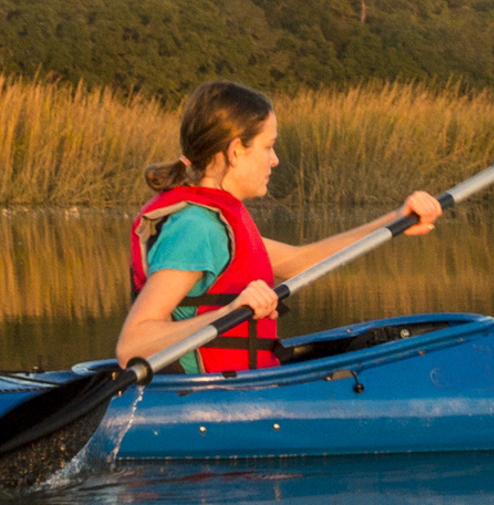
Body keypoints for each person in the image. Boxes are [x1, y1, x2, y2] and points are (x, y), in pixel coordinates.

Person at [118, 81, 442, 375]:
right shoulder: (195, 229)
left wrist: (397, 219)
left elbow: (300, 261)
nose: (274, 160)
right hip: (203, 401)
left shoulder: (216, 220)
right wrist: (231, 311)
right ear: (235, 151)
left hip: (241, 390)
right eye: (268, 146)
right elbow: (132, 345)